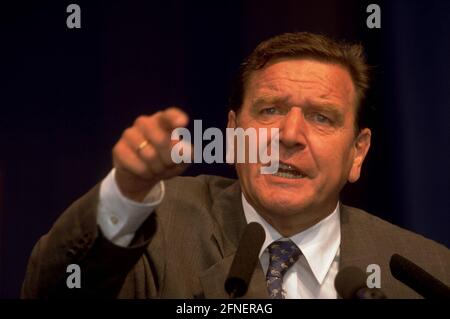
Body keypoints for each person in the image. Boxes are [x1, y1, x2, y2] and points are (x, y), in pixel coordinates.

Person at [21, 32, 449, 299]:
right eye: (269, 111)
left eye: (321, 117)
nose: (289, 134)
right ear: (233, 132)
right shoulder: (157, 233)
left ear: (357, 153)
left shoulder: (427, 273)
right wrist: (125, 195)